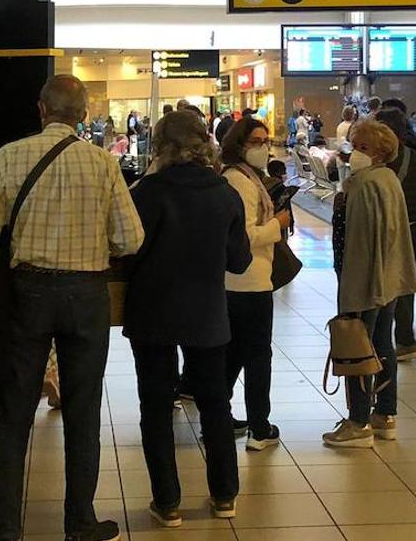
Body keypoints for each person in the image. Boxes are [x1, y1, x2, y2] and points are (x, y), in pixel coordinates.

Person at [0, 75, 144, 541]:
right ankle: (80, 521)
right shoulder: (103, 164)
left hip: (26, 293)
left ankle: (5, 525)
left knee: (14, 413)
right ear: (84, 115)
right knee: (84, 411)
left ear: (41, 109)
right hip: (86, 295)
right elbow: (131, 238)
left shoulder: (9, 156)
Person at [124, 111, 251, 525]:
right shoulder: (225, 193)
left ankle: (167, 502)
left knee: (156, 406)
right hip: (208, 314)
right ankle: (225, 495)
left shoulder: (146, 192)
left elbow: (127, 252)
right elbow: (239, 260)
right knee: (215, 404)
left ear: (160, 145)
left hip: (153, 312)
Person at [322, 120, 416, 447]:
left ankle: (358, 420)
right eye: (354, 146)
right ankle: (385, 414)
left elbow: (360, 241)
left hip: (363, 279)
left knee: (358, 346)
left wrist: (354, 288)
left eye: (363, 148)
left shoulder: (363, 185)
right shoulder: (388, 179)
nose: (355, 154)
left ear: (380, 152)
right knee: (382, 344)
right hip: (388, 278)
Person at [220, 119, 292, 451]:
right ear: (239, 144)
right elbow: (245, 236)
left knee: (234, 353)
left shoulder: (244, 178)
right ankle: (259, 427)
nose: (263, 147)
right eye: (255, 141)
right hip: (248, 282)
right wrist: (277, 224)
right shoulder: (240, 182)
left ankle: (218, 418)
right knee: (257, 356)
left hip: (240, 282)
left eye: (266, 141)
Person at [375, 109, 416, 363]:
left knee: (395, 284)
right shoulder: (415, 155)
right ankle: (403, 337)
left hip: (402, 226)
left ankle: (403, 339)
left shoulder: (387, 160)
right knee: (403, 283)